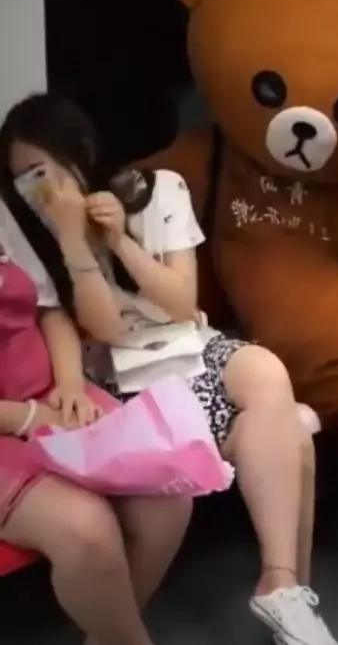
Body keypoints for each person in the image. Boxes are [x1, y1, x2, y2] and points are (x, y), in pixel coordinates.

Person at [0, 93, 336, 645]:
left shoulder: (158, 192)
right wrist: (74, 241)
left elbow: (181, 303)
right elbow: (105, 329)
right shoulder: (39, 239)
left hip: (192, 346)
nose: (39, 191)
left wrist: (119, 242)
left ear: (78, 151)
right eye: (23, 181)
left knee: (266, 373)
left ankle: (282, 588)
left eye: (42, 172)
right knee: (290, 441)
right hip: (129, 377)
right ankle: (285, 599)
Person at [0, 228, 192, 645]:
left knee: (168, 494)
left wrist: (70, 385)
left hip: (48, 393)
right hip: (11, 422)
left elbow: (48, 310)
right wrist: (25, 417)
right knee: (87, 532)